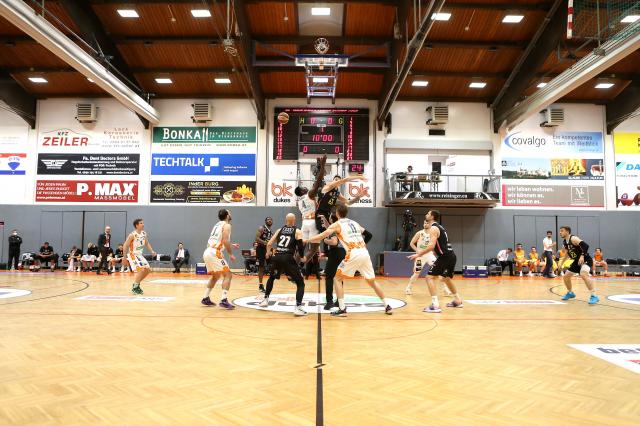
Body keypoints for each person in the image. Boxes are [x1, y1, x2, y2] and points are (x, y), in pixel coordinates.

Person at [309, 203, 392, 317]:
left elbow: (322, 235)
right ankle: (387, 305)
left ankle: (342, 308)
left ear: (337, 213)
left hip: (353, 253)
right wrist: (362, 244)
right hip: (364, 252)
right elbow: (368, 235)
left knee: (337, 278)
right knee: (372, 281)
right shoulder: (354, 223)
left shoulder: (337, 224)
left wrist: (307, 240)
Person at [408, 210, 463, 313]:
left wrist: (418, 254)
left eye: (428, 214)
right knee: (446, 278)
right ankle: (458, 300)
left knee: (429, 277)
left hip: (444, 257)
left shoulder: (433, 228)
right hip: (451, 255)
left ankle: (435, 305)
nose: (426, 215)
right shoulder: (439, 227)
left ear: (432, 217)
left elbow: (431, 246)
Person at [259, 213, 308, 316]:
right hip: (288, 258)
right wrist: (302, 257)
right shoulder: (297, 231)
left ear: (286, 220)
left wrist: (268, 252)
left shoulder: (279, 230)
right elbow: (300, 246)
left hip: (277, 257)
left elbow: (269, 243)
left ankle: (265, 300)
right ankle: (298, 307)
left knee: (271, 278)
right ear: (294, 220)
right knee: (300, 283)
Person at [295, 155, 327, 275]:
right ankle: (301, 266)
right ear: (302, 191)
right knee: (314, 248)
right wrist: (322, 165)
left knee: (302, 247)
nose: (306, 188)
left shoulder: (298, 201)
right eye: (304, 187)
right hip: (313, 222)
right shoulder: (310, 194)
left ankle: (294, 268)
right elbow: (318, 181)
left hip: (304, 223)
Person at [201, 209, 235, 309]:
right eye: (230, 213)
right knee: (228, 275)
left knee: (215, 276)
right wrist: (230, 254)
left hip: (208, 251)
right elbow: (225, 240)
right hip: (214, 252)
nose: (231, 214)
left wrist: (231, 245)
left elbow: (217, 240)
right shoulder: (227, 225)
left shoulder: (217, 225)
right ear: (227, 216)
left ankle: (205, 298)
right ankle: (224, 300)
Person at [558, 226, 599, 305]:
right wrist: (561, 263)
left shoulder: (573, 238)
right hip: (577, 261)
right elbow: (567, 253)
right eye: (560, 231)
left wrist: (582, 256)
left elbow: (586, 245)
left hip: (585, 259)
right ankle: (570, 293)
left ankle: (594, 296)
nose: (560, 232)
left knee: (583, 275)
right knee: (566, 277)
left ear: (567, 231)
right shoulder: (565, 242)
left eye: (562, 231)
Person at [404, 217, 437, 295]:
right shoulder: (419, 233)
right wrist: (417, 251)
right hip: (420, 256)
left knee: (439, 269)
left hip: (429, 255)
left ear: (430, 224)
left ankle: (446, 290)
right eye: (424, 223)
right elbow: (411, 243)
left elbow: (434, 245)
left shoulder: (433, 233)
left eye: (427, 223)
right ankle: (408, 288)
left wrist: (434, 252)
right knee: (416, 273)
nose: (425, 224)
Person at [123, 218, 156, 295]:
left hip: (139, 255)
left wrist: (152, 251)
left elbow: (147, 243)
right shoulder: (132, 235)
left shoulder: (144, 233)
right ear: (136, 225)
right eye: (141, 223)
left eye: (143, 223)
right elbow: (125, 245)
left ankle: (136, 284)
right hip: (133, 254)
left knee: (147, 270)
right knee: (141, 270)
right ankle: (135, 287)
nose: (143, 224)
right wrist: (124, 258)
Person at [322, 213, 346, 310]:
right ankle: (339, 301)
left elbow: (334, 242)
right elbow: (329, 228)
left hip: (335, 252)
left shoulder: (333, 228)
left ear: (332, 219)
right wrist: (324, 220)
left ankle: (329, 302)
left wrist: (325, 241)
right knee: (339, 278)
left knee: (329, 277)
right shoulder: (341, 226)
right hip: (343, 252)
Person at [254, 217, 273, 292]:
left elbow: (270, 242)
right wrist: (265, 243)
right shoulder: (262, 228)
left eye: (271, 220)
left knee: (272, 265)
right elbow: (256, 238)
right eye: (268, 220)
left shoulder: (270, 231)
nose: (270, 220)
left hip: (267, 250)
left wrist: (270, 249)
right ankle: (260, 285)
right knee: (261, 267)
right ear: (265, 221)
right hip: (260, 249)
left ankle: (270, 283)